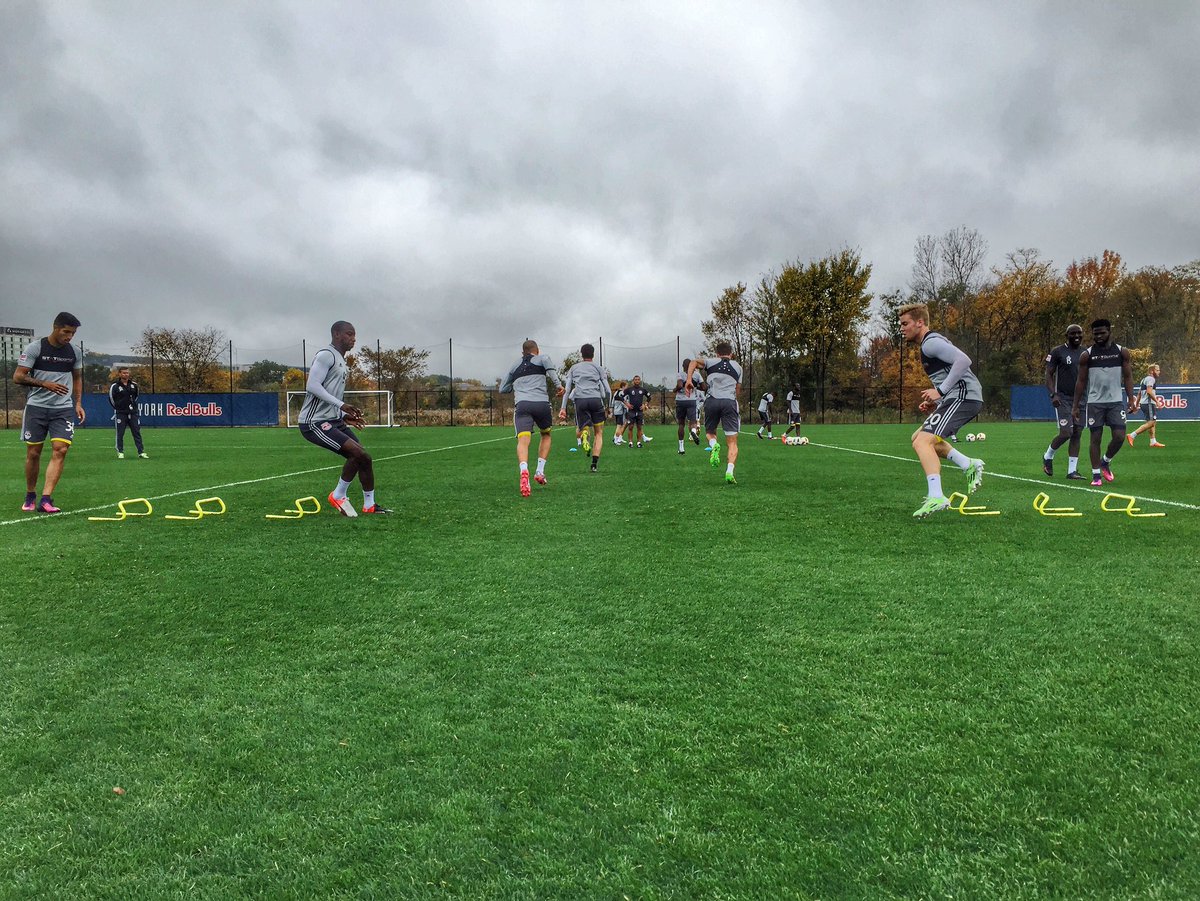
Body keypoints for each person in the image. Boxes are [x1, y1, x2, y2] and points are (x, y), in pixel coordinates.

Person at [896, 304, 985, 518]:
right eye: (900, 324)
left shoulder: (931, 343)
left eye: (905, 323)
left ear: (920, 322)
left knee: (922, 442)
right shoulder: (929, 344)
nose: (901, 328)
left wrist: (940, 391)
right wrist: (939, 400)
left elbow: (964, 361)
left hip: (965, 397)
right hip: (958, 397)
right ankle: (968, 464)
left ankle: (936, 496)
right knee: (918, 437)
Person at [299, 321, 391, 516]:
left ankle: (370, 505)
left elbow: (329, 395)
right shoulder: (326, 355)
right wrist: (341, 405)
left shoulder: (341, 360)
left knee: (363, 458)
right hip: (313, 422)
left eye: (354, 335)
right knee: (359, 455)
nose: (353, 339)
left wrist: (343, 415)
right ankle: (338, 494)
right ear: (336, 334)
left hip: (333, 420)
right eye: (349, 334)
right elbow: (313, 386)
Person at [14, 312, 85, 513]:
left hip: (62, 408)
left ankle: (46, 499)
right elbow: (18, 376)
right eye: (66, 332)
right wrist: (44, 383)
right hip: (36, 407)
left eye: (73, 333)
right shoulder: (36, 348)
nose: (69, 336)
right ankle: (30, 494)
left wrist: (78, 403)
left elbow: (78, 378)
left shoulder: (74, 352)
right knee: (34, 452)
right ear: (55, 328)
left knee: (60, 449)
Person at [1071, 319, 1137, 487]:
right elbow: (1080, 381)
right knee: (1096, 438)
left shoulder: (1122, 352)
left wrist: (1131, 398)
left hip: (1115, 402)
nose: (1098, 336)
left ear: (1109, 332)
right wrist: (1075, 406)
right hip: (1095, 403)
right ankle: (1096, 476)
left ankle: (1106, 461)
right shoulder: (1087, 354)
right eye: (1095, 334)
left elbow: (1128, 376)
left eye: (1102, 333)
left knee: (1120, 436)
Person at [500, 339, 564, 496]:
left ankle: (524, 471)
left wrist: (516, 386)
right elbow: (551, 371)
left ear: (523, 352)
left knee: (523, 440)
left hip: (522, 405)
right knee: (546, 434)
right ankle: (540, 472)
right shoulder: (543, 358)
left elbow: (503, 388)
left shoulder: (514, 365)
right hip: (542, 404)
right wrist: (559, 386)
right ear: (537, 350)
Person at [685, 341, 742, 484]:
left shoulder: (711, 362)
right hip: (729, 402)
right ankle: (729, 471)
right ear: (731, 354)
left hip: (712, 401)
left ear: (717, 353)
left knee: (710, 432)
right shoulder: (738, 367)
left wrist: (689, 380)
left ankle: (714, 445)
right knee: (732, 442)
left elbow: (692, 362)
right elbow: (738, 390)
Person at [1041, 324, 1086, 479]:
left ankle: (1072, 471)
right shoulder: (1058, 351)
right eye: (1073, 334)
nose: (1077, 336)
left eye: (1079, 333)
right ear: (1066, 335)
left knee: (1077, 433)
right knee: (1066, 432)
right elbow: (1048, 374)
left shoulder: (1086, 352)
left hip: (1081, 399)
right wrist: (1053, 394)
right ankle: (1048, 456)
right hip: (1063, 398)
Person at [558, 343, 611, 472]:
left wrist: (563, 408)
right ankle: (594, 464)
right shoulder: (598, 368)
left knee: (584, 427)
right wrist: (609, 406)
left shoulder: (574, 368)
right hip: (595, 400)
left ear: (581, 354)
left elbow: (568, 388)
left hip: (580, 400)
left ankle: (585, 434)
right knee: (599, 433)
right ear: (593, 354)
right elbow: (608, 390)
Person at [108, 367, 148, 460]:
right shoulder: (115, 386)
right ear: (119, 374)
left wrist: (132, 406)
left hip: (133, 413)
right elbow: (111, 398)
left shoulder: (134, 385)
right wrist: (118, 407)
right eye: (124, 373)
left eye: (127, 373)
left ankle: (141, 452)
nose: (126, 374)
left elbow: (136, 396)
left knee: (136, 432)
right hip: (121, 413)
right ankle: (120, 452)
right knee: (120, 433)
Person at [1128, 363, 1166, 448]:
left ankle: (1153, 441)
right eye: (1157, 370)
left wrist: (1135, 406)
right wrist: (1157, 402)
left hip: (1144, 403)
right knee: (1151, 422)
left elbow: (1139, 394)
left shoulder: (1144, 379)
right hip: (1148, 403)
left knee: (1152, 422)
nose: (1159, 372)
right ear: (1152, 371)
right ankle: (1132, 435)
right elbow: (1149, 392)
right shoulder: (1151, 379)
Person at [674, 359, 702, 454]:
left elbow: (679, 385)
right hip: (691, 400)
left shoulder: (680, 374)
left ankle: (681, 448)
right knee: (693, 421)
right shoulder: (697, 375)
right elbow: (704, 387)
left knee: (681, 424)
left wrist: (675, 389)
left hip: (680, 401)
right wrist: (696, 385)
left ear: (683, 366)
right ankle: (693, 431)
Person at [622, 374, 650, 447]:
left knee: (639, 427)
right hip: (631, 411)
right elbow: (620, 396)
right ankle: (630, 442)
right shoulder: (629, 389)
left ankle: (638, 443)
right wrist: (627, 404)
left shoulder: (642, 390)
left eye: (638, 379)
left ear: (640, 381)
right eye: (635, 380)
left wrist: (645, 405)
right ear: (633, 381)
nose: (637, 381)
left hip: (640, 411)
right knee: (630, 427)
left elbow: (649, 397)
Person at [611, 381, 628, 445]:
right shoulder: (622, 393)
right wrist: (627, 407)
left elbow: (613, 402)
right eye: (626, 386)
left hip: (616, 411)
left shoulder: (616, 392)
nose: (627, 387)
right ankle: (616, 440)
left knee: (620, 425)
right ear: (623, 386)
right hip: (620, 411)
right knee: (619, 426)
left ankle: (617, 438)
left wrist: (612, 409)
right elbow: (623, 402)